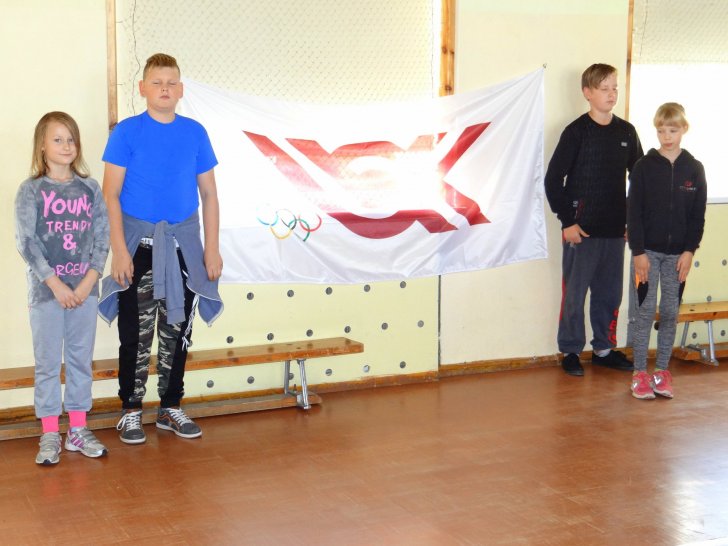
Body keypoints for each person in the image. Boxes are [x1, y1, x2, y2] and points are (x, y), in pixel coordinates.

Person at [99, 53, 224, 444]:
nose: (164, 89)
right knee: (135, 333)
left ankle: (170, 406)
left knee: (177, 330)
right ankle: (130, 411)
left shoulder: (195, 133)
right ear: (143, 88)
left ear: (181, 90)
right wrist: (119, 251)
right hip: (137, 246)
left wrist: (212, 249)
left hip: (183, 247)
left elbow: (209, 195)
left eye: (171, 83)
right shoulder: (126, 132)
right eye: (156, 82)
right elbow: (110, 194)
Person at [15, 112, 110, 465]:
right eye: (57, 139)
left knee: (80, 361)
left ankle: (78, 430)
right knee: (47, 364)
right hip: (46, 294)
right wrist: (55, 284)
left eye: (71, 139)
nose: (66, 145)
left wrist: (87, 282)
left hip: (85, 292)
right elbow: (26, 243)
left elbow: (101, 239)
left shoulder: (90, 189)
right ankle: (50, 433)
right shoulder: (30, 191)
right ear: (42, 145)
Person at [545, 63, 644, 376]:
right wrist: (567, 222)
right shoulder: (576, 132)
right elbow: (552, 180)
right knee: (574, 296)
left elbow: (640, 179)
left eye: (615, 88)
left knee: (609, 294)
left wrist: (633, 222)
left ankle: (603, 349)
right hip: (581, 231)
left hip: (615, 232)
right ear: (587, 93)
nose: (611, 94)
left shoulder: (626, 132)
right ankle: (571, 351)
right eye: (604, 89)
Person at [627, 103, 706, 399]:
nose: (666, 136)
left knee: (671, 312)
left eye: (672, 130)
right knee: (644, 312)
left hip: (678, 257)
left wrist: (689, 251)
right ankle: (639, 374)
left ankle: (662, 372)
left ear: (684, 129)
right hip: (646, 253)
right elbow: (633, 212)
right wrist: (638, 252)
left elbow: (697, 216)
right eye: (661, 131)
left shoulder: (694, 169)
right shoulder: (643, 167)